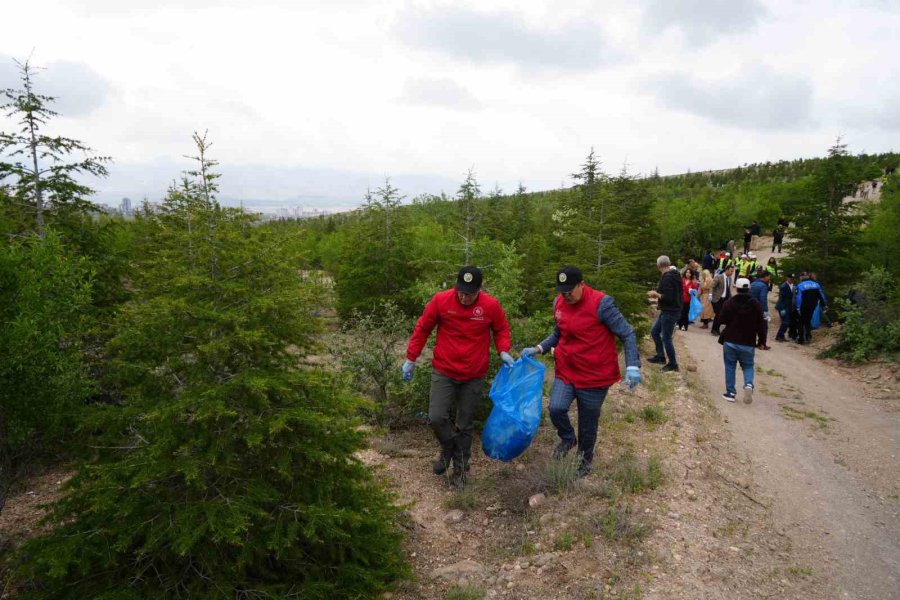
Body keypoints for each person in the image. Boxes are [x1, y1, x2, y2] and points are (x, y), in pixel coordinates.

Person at [522, 266, 641, 478]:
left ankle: (584, 461)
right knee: (556, 408)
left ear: (581, 284)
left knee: (587, 423)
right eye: (562, 291)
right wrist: (539, 348)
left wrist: (633, 365)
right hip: (567, 369)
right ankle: (568, 438)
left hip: (595, 375)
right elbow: (559, 332)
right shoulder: (559, 303)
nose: (566, 295)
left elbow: (627, 333)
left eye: (570, 291)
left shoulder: (601, 304)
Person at [403, 266, 513, 488]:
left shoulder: (490, 305)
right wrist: (411, 358)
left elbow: (501, 329)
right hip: (444, 370)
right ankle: (448, 446)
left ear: (479, 289)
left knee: (464, 424)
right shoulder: (441, 301)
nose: (464, 297)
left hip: (473, 374)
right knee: (436, 417)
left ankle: (461, 470)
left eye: (469, 294)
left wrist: (503, 350)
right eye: (461, 292)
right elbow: (423, 328)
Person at [719, 278, 767, 403]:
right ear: (749, 289)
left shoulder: (729, 303)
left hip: (730, 340)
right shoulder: (756, 304)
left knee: (730, 366)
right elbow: (761, 325)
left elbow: (721, 320)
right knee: (748, 365)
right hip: (748, 341)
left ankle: (730, 393)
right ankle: (748, 384)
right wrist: (762, 341)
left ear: (736, 288)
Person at [647, 256, 683, 372]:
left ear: (659, 266)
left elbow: (668, 298)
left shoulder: (667, 278)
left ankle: (673, 364)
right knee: (654, 332)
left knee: (666, 337)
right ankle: (660, 356)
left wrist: (655, 294)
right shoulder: (675, 274)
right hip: (669, 310)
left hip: (670, 311)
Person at [795, 273, 827, 344]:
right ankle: (808, 336)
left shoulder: (800, 285)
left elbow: (799, 298)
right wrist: (824, 305)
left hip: (803, 307)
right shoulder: (816, 285)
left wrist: (798, 308)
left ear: (802, 279)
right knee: (808, 321)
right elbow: (820, 296)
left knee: (801, 322)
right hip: (812, 306)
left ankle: (801, 339)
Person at [710, 264, 735, 335]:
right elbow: (712, 286)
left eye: (733, 271)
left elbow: (728, 289)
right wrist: (710, 294)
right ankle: (714, 330)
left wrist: (731, 298)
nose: (732, 273)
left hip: (725, 300)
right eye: (731, 271)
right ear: (726, 270)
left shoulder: (729, 279)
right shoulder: (719, 277)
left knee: (721, 315)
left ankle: (717, 330)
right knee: (718, 314)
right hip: (717, 299)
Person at [750, 271, 771, 350]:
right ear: (765, 276)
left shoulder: (752, 284)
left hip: (751, 309)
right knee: (763, 327)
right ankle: (762, 344)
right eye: (768, 277)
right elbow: (763, 299)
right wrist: (765, 311)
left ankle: (751, 342)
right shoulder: (763, 286)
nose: (769, 279)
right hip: (760, 309)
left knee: (753, 326)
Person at [774, 273, 795, 342]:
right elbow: (781, 298)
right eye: (790, 278)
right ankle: (779, 336)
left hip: (787, 306)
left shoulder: (792, 285)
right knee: (785, 322)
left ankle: (781, 336)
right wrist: (782, 308)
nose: (791, 280)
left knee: (786, 322)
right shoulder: (784, 286)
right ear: (787, 278)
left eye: (792, 279)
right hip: (783, 306)